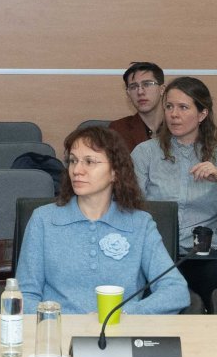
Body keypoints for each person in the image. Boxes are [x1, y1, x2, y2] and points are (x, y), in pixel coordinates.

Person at [15, 124, 188, 315]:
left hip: (120, 328)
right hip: (58, 328)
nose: (77, 170)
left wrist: (125, 313)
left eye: (89, 162)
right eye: (73, 161)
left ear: (115, 172)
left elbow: (176, 291)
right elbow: (24, 296)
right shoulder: (43, 219)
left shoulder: (140, 224)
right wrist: (64, 319)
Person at [132, 76, 217, 306]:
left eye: (183, 107)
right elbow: (129, 208)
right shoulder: (145, 153)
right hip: (156, 253)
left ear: (202, 114)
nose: (174, 114)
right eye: (169, 107)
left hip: (204, 256)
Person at [108, 61, 166, 155]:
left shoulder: (179, 125)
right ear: (128, 94)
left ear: (162, 89)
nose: (140, 92)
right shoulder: (118, 130)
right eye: (133, 86)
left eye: (147, 84)